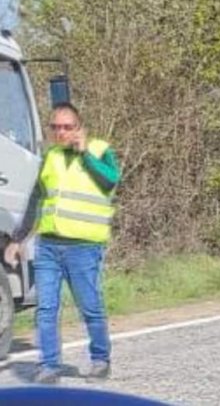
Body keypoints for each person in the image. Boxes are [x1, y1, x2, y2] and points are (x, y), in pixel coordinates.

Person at [4, 103, 121, 385]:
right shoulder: (51, 157)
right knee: (46, 308)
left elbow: (111, 181)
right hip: (48, 248)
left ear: (79, 128)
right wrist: (17, 240)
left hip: (83, 248)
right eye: (56, 127)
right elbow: (35, 200)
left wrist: (85, 156)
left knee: (90, 306)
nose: (61, 132)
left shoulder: (99, 151)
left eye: (67, 127)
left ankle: (100, 359)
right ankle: (49, 365)